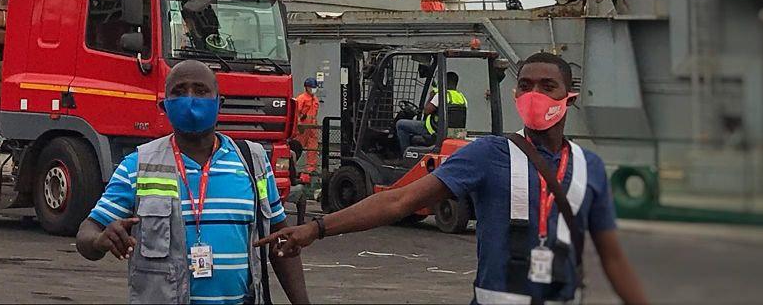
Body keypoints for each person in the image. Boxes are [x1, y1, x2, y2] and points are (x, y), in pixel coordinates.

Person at [260, 53, 648, 305]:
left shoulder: (589, 167)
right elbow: (398, 201)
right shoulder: (487, 155)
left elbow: (613, 257)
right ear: (515, 94)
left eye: (547, 87)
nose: (535, 95)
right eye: (526, 86)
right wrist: (317, 228)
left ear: (570, 98)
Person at [76, 60, 310, 305]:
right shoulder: (137, 166)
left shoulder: (254, 163)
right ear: (164, 106)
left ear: (219, 103)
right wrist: (99, 241)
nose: (190, 100)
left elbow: (283, 240)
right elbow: (87, 233)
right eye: (179, 92)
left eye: (200, 91)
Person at [394, 71, 467, 156]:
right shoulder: (462, 98)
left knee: (400, 124)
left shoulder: (441, 95)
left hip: (433, 131)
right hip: (451, 132)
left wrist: (431, 96)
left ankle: (404, 155)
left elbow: (426, 110)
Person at [293, 78, 321, 177]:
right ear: (307, 88)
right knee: (298, 146)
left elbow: (314, 114)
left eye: (314, 87)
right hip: (303, 127)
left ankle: (311, 167)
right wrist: (299, 124)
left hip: (312, 127)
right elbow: (296, 113)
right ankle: (291, 165)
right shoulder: (301, 99)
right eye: (312, 87)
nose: (313, 89)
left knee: (312, 147)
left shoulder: (315, 99)